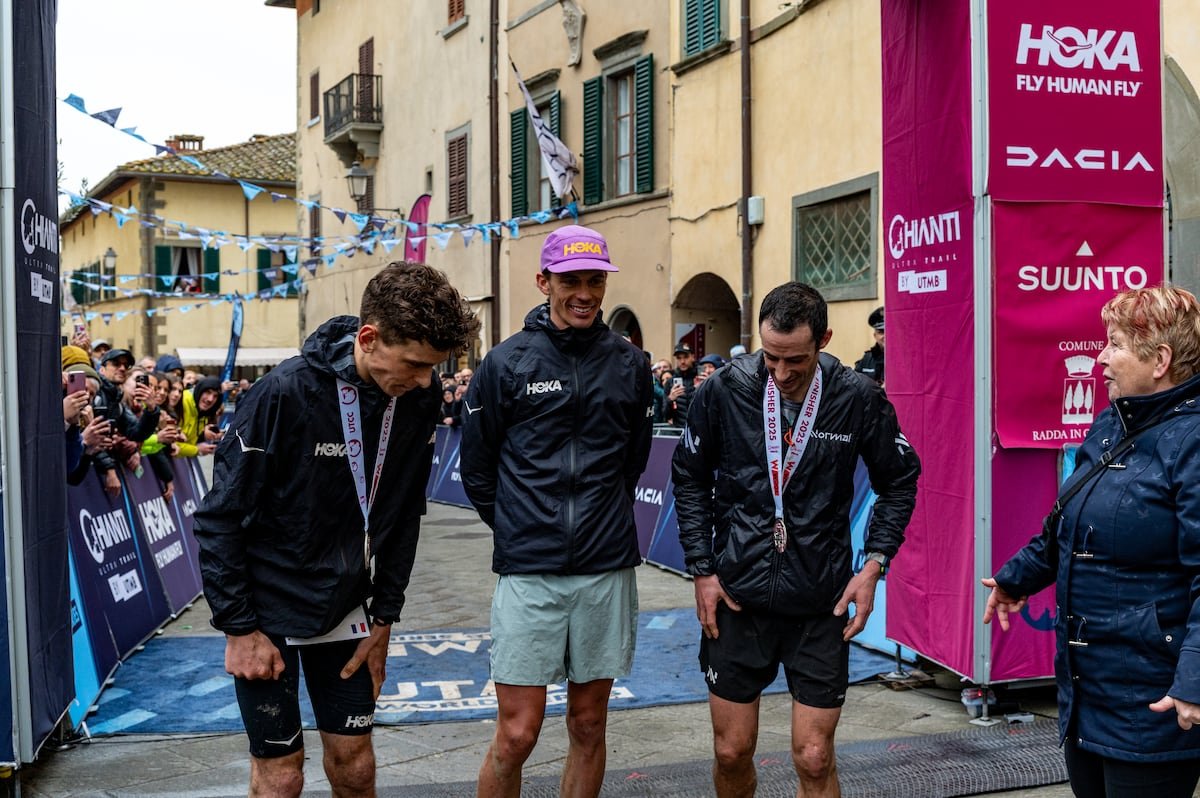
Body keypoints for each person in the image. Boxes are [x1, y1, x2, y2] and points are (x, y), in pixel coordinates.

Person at [193, 262, 479, 798]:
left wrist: (385, 619)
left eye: (432, 369)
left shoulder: (416, 399)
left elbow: (401, 516)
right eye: (414, 365)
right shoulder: (283, 393)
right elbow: (218, 518)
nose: (424, 381)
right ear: (368, 339)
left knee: (355, 765)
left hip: (345, 610)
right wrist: (238, 628)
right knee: (281, 777)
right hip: (267, 611)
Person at [672, 282, 920, 797]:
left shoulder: (857, 397)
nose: (782, 374)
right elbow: (689, 478)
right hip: (738, 596)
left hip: (819, 602)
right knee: (730, 751)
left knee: (813, 756)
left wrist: (873, 565)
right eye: (771, 359)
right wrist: (702, 569)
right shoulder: (725, 389)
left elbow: (899, 480)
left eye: (797, 362)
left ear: (824, 339)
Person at [983, 285, 1200, 797]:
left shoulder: (1192, 442)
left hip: (1155, 701)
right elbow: (1069, 522)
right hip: (1088, 691)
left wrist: (1194, 680)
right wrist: (1018, 577)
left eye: (1115, 344)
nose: (1100, 357)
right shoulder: (1111, 423)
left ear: (1160, 360)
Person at [460, 224, 653, 798]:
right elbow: (477, 469)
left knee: (589, 725)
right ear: (543, 281)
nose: (585, 293)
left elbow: (633, 462)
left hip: (604, 566)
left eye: (595, 281)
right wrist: (523, 525)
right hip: (529, 570)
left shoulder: (630, 364)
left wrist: (597, 519)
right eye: (571, 280)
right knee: (518, 733)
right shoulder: (505, 363)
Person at [853, 306, 885, 387]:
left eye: (889, 330)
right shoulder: (866, 359)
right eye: (881, 332)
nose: (886, 335)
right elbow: (855, 388)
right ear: (875, 335)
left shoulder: (904, 360)